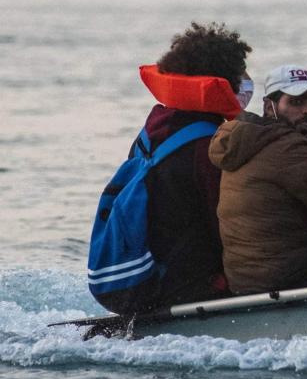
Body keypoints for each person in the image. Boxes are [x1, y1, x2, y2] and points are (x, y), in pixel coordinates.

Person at [92, 22, 251, 313]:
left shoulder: (152, 130)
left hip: (149, 273)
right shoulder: (207, 144)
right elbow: (225, 225)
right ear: (223, 79)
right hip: (185, 285)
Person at [209, 65, 307, 295]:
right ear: (269, 106)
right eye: (296, 102)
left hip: (247, 282)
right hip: (289, 280)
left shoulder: (249, 138)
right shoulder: (287, 147)